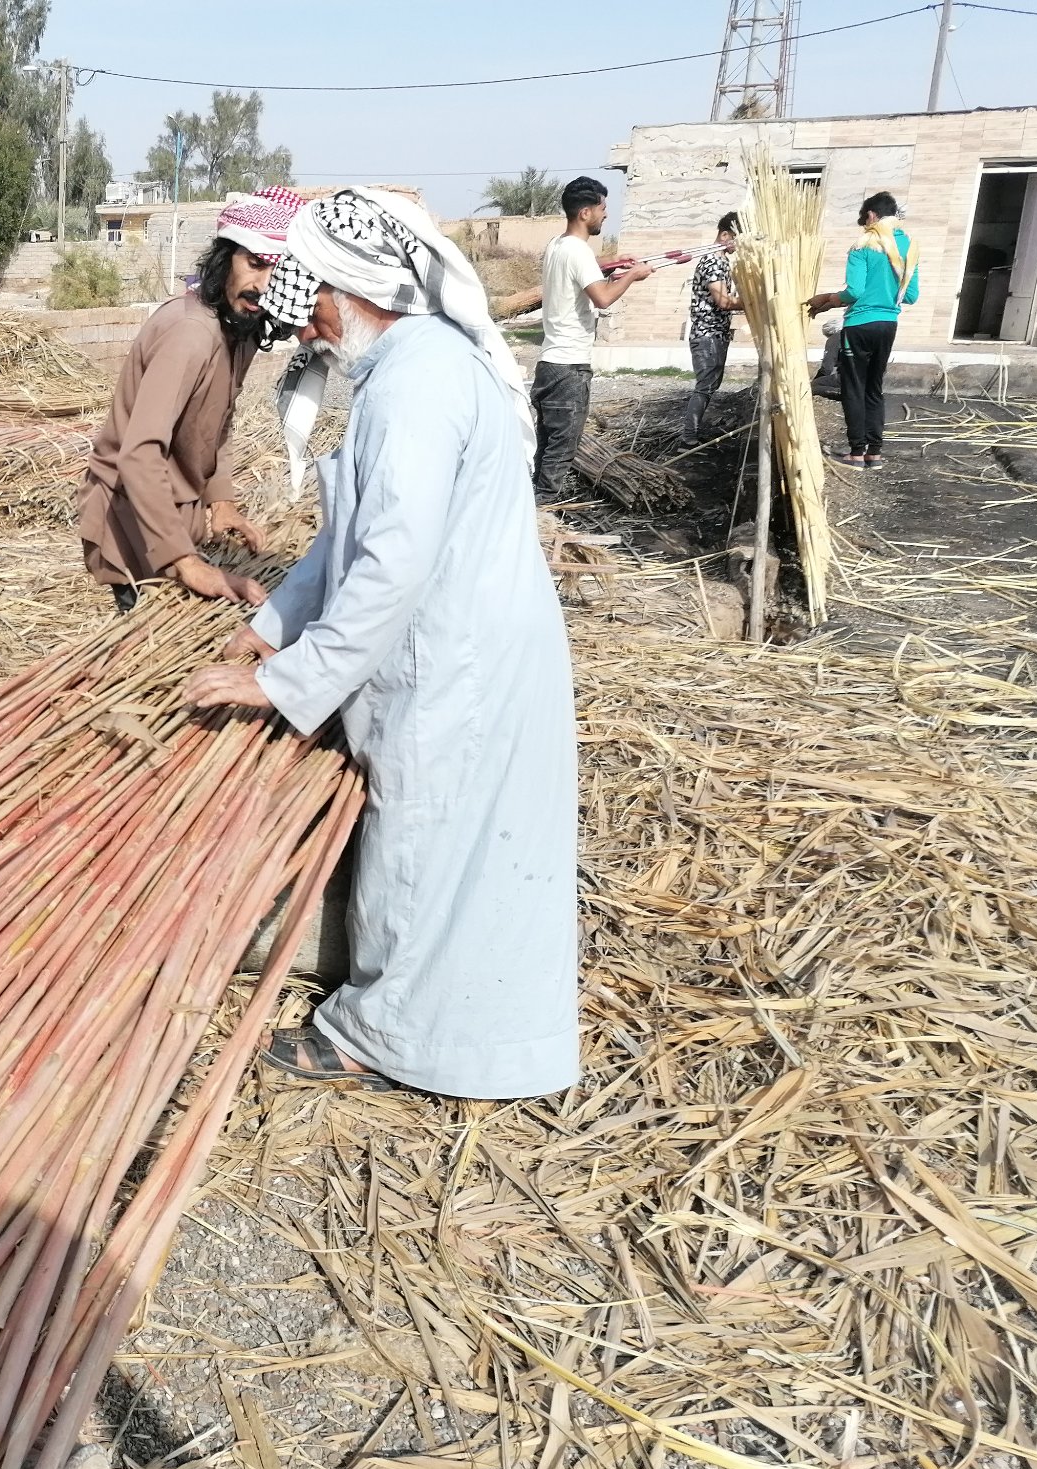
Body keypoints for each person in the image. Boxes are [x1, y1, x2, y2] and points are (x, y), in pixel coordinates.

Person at [184, 188, 579, 1101]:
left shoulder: (418, 383)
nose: (309, 326)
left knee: (424, 838)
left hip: (456, 658)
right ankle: (470, 1031)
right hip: (470, 645)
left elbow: (392, 563)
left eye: (312, 301)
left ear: (347, 290)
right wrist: (270, 628)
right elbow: (345, 539)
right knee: (467, 850)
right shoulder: (412, 367)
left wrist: (290, 682)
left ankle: (387, 1035)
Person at [76, 188, 301, 611]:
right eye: (253, 264)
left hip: (176, 519)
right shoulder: (191, 334)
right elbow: (139, 454)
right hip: (134, 525)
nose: (262, 285)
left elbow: (217, 423)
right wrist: (186, 562)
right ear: (224, 260)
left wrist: (221, 500)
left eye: (277, 273)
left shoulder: (241, 328)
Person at [531, 175, 652, 499]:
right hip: (570, 368)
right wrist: (631, 276)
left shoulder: (558, 246)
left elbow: (584, 276)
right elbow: (602, 298)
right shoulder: (579, 251)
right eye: (602, 208)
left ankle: (532, 505)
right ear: (585, 212)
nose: (606, 215)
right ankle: (541, 513)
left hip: (549, 365)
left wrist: (615, 267)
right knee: (560, 452)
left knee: (546, 447)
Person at [809, 192, 920, 469]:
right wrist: (885, 294)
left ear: (871, 215)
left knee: (853, 388)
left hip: (860, 326)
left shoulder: (863, 245)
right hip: (888, 325)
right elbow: (911, 295)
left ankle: (856, 452)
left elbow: (854, 291)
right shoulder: (908, 246)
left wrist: (829, 300)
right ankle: (875, 452)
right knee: (873, 388)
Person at [681, 212, 744, 442]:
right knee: (705, 386)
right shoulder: (713, 261)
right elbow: (724, 301)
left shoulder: (722, 262)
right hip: (707, 335)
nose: (739, 246)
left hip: (716, 334)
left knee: (710, 385)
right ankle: (688, 438)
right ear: (725, 235)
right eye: (738, 239)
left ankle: (692, 434)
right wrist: (753, 302)